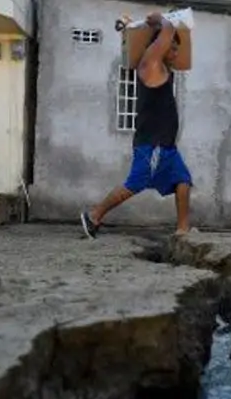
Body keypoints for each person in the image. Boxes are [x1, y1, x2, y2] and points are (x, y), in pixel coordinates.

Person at [80, 13, 192, 239]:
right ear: (159, 47)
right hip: (153, 145)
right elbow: (167, 31)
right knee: (134, 184)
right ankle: (94, 215)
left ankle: (183, 229)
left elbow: (166, 37)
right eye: (172, 48)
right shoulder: (151, 64)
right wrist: (161, 20)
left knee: (183, 182)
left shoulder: (161, 68)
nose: (176, 53)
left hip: (166, 145)